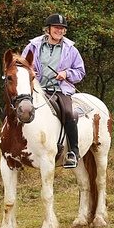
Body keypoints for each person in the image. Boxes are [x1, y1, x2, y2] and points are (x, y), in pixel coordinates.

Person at [22, 14, 86, 168]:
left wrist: (66, 74)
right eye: (57, 27)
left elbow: (80, 72)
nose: (60, 30)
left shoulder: (71, 50)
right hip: (37, 90)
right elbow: (23, 65)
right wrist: (31, 73)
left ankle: (73, 152)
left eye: (62, 28)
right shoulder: (33, 46)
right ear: (48, 29)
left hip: (59, 90)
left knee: (69, 113)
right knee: (14, 108)